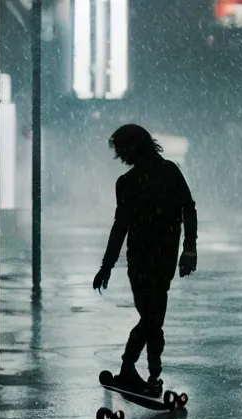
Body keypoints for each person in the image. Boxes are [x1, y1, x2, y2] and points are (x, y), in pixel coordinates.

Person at [93, 124, 197, 397]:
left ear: (135, 146)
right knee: (152, 319)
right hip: (155, 259)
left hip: (147, 261)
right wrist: (188, 248)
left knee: (152, 319)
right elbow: (121, 226)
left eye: (122, 150)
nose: (121, 157)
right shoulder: (152, 176)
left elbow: (121, 227)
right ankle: (144, 373)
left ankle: (145, 374)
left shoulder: (150, 177)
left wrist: (190, 248)